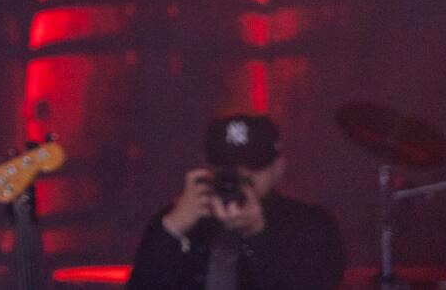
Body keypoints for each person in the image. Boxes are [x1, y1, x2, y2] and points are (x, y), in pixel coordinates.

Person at [125, 113, 344, 290]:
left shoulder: (311, 227)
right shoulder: (181, 220)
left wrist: (259, 235)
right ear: (206, 166)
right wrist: (170, 231)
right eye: (227, 168)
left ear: (278, 169)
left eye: (254, 166)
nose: (241, 178)